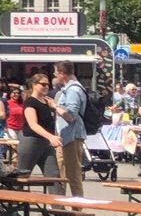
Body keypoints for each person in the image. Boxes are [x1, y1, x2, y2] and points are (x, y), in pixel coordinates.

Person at [52, 62, 89, 196]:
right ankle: (62, 206)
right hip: (65, 135)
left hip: (72, 135)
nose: (54, 75)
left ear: (62, 73)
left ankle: (77, 208)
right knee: (62, 171)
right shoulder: (68, 88)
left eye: (55, 72)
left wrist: (55, 107)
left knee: (73, 173)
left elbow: (71, 116)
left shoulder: (73, 90)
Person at [18, 76, 63, 179]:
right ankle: (13, 194)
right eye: (43, 84)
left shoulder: (47, 102)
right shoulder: (30, 102)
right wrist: (51, 137)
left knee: (54, 176)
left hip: (46, 143)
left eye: (48, 85)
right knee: (22, 175)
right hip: (31, 142)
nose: (46, 87)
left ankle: (57, 196)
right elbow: (33, 124)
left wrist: (54, 106)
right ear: (34, 85)